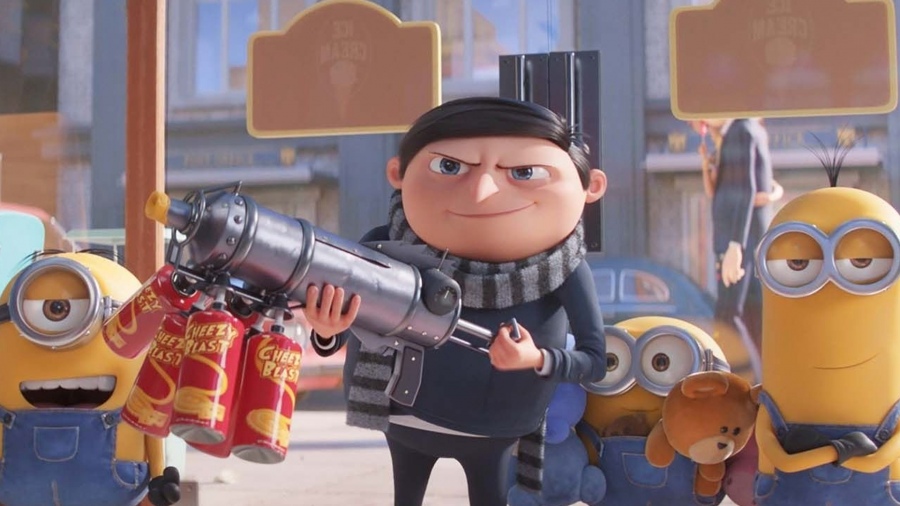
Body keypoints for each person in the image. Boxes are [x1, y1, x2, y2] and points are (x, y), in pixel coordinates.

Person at [306, 97, 608, 506]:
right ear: (397, 174)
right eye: (450, 167)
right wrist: (327, 331)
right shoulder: (384, 247)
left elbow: (594, 360)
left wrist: (537, 359)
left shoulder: (565, 270)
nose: (482, 192)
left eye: (524, 172)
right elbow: (346, 325)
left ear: (592, 188)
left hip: (494, 426)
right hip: (403, 415)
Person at [689, 118, 778, 375]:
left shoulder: (741, 130)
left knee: (729, 315)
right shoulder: (738, 133)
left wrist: (735, 245)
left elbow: (746, 189)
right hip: (735, 240)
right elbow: (728, 190)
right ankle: (753, 375)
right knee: (738, 314)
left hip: (737, 241)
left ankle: (749, 376)